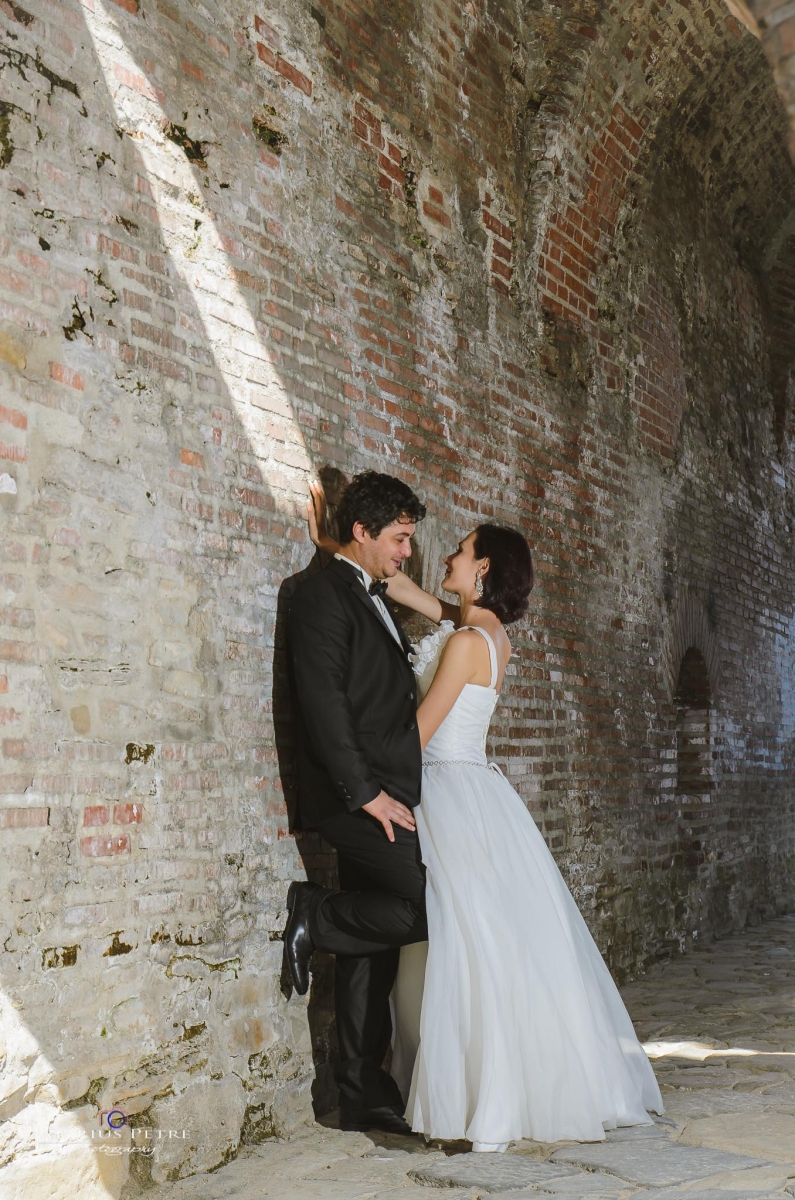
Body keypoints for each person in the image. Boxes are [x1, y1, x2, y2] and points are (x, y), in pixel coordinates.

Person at [306, 483, 663, 1150]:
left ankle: (475, 1089)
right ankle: (475, 1080)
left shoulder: (468, 641)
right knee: (480, 936)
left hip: (443, 786)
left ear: (484, 569)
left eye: (461, 550)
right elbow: (418, 600)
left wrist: (353, 757)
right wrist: (337, 545)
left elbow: (416, 735)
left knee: (459, 936)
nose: (444, 553)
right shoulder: (486, 632)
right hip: (479, 790)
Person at [283, 470, 429, 1136]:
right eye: (398, 539)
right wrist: (365, 792)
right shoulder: (319, 595)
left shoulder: (362, 590)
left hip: (388, 793)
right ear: (363, 532)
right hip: (352, 795)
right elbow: (324, 702)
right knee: (422, 904)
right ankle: (314, 914)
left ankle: (362, 1091)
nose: (405, 552)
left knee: (373, 949)